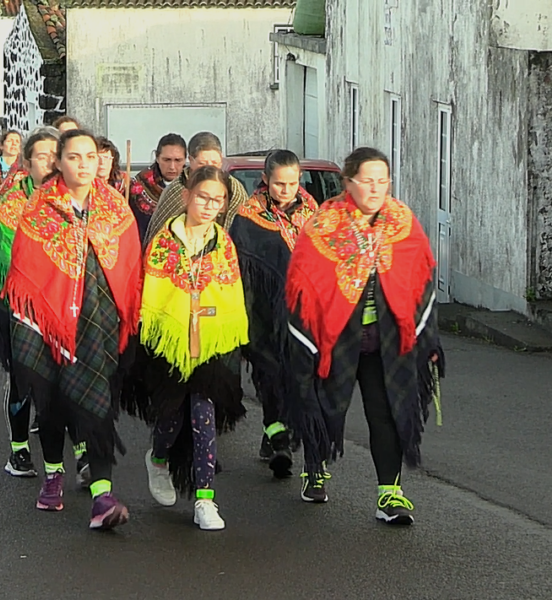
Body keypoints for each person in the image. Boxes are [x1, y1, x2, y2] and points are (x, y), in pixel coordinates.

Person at [286, 147, 443, 525]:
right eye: (367, 181)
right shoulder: (324, 225)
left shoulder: (403, 221)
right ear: (348, 183)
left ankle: (390, 493)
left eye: (382, 181)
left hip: (385, 338)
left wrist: (429, 340)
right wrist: (303, 341)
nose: (376, 189)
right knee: (325, 406)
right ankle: (315, 469)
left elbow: (421, 281)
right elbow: (302, 284)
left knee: (386, 411)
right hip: (335, 336)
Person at [3, 129, 142, 529]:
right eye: (74, 157)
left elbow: (129, 264)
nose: (84, 164)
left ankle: (102, 494)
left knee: (97, 402)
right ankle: (52, 474)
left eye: (90, 156)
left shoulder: (115, 208)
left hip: (97, 321)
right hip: (47, 323)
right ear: (59, 163)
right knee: (52, 403)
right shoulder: (39, 208)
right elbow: (26, 270)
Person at [125, 166, 248, 531]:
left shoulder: (224, 243)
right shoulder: (164, 242)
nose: (210, 206)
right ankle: (159, 459)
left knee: (203, 415)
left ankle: (205, 499)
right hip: (170, 344)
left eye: (218, 200)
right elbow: (155, 293)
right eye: (203, 197)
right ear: (186, 197)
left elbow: (230, 292)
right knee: (171, 418)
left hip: (210, 345)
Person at [0, 126, 59, 478]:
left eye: (56, 155)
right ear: (27, 162)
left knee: (68, 383)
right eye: (42, 156)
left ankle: (83, 454)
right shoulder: (12, 202)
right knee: (22, 378)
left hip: (63, 306)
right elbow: (6, 254)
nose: (50, 163)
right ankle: (19, 450)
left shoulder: (76, 200)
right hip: (19, 303)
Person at [229, 150, 319, 479]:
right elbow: (240, 267)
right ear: (265, 180)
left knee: (298, 374)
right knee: (270, 372)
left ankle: (281, 434)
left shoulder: (313, 213)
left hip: (303, 311)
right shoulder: (248, 216)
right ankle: (278, 437)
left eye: (293, 183)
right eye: (279, 183)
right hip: (261, 309)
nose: (286, 190)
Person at [143, 132, 248, 248]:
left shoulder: (234, 189)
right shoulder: (177, 189)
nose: (209, 168)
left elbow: (243, 233)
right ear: (191, 160)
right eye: (202, 163)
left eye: (214, 163)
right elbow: (157, 237)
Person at [128, 133, 187, 241]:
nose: (172, 167)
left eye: (178, 160)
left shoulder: (192, 186)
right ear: (157, 158)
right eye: (167, 160)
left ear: (185, 160)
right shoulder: (138, 186)